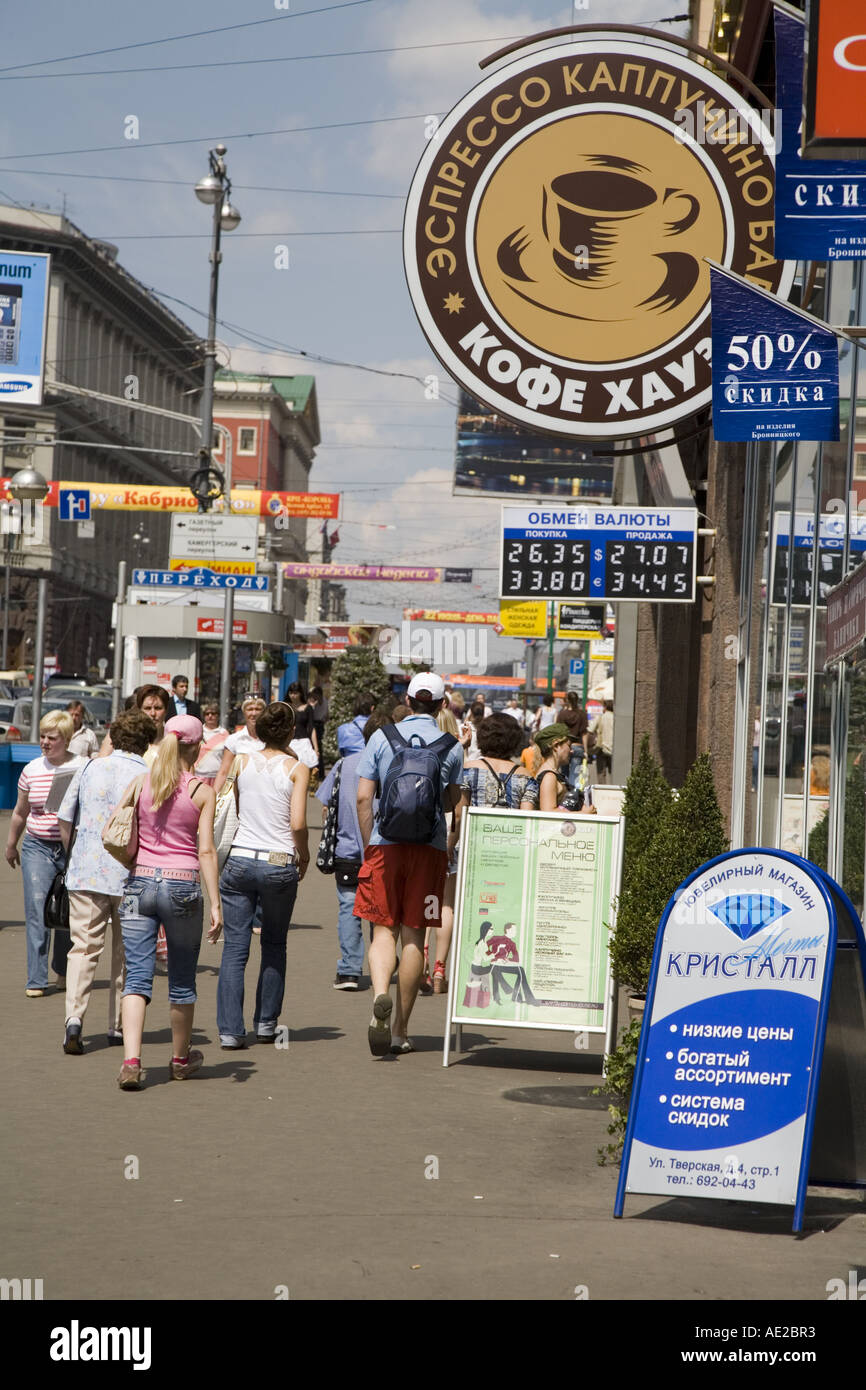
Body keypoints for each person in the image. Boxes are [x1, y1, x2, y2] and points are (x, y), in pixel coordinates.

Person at [355, 672, 464, 1056]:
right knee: (415, 935)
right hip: (429, 850)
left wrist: (372, 842)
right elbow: (452, 804)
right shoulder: (452, 745)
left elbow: (364, 798)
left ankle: (379, 995)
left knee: (383, 930)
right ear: (441, 705)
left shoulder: (382, 737)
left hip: (386, 846)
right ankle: (400, 1030)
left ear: (407, 699)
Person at [117, 715, 221, 1090]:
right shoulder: (201, 791)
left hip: (137, 885)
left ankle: (131, 1062)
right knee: (181, 978)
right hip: (182, 887)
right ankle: (179, 1059)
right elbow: (206, 850)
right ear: (196, 748)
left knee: (137, 977)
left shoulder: (141, 783)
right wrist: (216, 903)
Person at [56, 708, 156, 1053]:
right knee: (126, 951)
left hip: (86, 873)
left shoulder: (89, 767)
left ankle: (74, 1019)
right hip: (132, 875)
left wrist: (76, 853)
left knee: (83, 948)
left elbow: (64, 817)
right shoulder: (148, 774)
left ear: (114, 736)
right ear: (146, 741)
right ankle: (117, 1025)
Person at [216, 702, 309, 1048]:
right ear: (291, 732)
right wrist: (304, 854)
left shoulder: (241, 761)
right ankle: (267, 1023)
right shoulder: (298, 769)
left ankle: (230, 1030)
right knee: (273, 942)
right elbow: (298, 822)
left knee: (235, 948)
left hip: (240, 858)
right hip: (278, 859)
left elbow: (238, 808)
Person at [5, 711, 85, 996]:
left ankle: (63, 970)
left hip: (72, 848)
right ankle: (37, 979)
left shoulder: (82, 766)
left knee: (65, 911)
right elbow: (19, 812)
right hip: (37, 846)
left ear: (67, 739)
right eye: (42, 736)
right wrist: (11, 844)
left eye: (52, 738)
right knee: (37, 910)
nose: (45, 742)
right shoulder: (32, 769)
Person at [315, 711, 388, 990]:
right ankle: (381, 964)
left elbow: (325, 802)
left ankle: (349, 970)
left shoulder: (345, 764)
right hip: (383, 849)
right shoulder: (393, 764)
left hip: (347, 848)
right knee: (380, 911)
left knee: (349, 907)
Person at [213, 695, 266, 793]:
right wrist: (214, 798)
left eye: (258, 709)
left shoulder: (270, 739)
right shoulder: (234, 739)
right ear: (244, 712)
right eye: (250, 709)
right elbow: (224, 771)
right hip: (241, 793)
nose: (254, 713)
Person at [527, 723, 574, 811]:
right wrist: (584, 813)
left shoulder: (553, 773)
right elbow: (549, 813)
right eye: (569, 745)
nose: (571, 751)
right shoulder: (549, 777)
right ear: (556, 746)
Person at [286, 681, 319, 770]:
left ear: (300, 693)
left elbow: (312, 728)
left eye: (295, 693)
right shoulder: (286, 707)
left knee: (306, 768)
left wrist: (316, 748)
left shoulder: (308, 708)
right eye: (291, 693)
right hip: (289, 743)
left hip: (304, 743)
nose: (293, 695)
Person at [560, 691, 590, 787]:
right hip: (578, 747)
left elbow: (558, 732)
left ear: (567, 700)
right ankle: (574, 797)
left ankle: (564, 796)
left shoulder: (562, 714)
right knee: (575, 774)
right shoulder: (582, 714)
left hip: (564, 746)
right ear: (577, 700)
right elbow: (584, 733)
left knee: (564, 774)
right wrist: (586, 750)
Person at [194, 704, 229, 783]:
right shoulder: (198, 731)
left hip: (217, 777)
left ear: (218, 716)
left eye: (213, 713)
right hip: (198, 776)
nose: (210, 716)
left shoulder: (224, 733)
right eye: (207, 714)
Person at [591, 700, 614, 782]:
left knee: (601, 773)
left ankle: (602, 791)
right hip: (614, 749)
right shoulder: (616, 718)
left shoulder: (600, 717)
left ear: (605, 707)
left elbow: (590, 729)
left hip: (601, 748)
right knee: (614, 773)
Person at [310, 684, 329, 778]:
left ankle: (319, 771)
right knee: (317, 747)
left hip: (319, 724)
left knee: (318, 747)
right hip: (317, 723)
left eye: (315, 694)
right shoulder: (320, 702)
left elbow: (327, 715)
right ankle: (318, 770)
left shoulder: (322, 702)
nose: (313, 697)